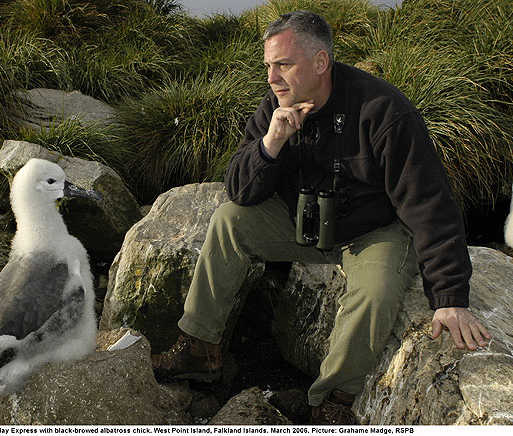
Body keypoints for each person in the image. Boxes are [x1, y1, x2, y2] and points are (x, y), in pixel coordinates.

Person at [151, 10, 491, 425]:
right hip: (302, 225)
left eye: (284, 65)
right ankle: (198, 349)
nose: (273, 78)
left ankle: (330, 400)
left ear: (320, 63)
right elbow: (240, 193)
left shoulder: (383, 110)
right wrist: (272, 143)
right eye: (268, 66)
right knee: (228, 221)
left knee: (376, 291)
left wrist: (450, 298)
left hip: (374, 230)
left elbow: (431, 206)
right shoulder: (274, 107)